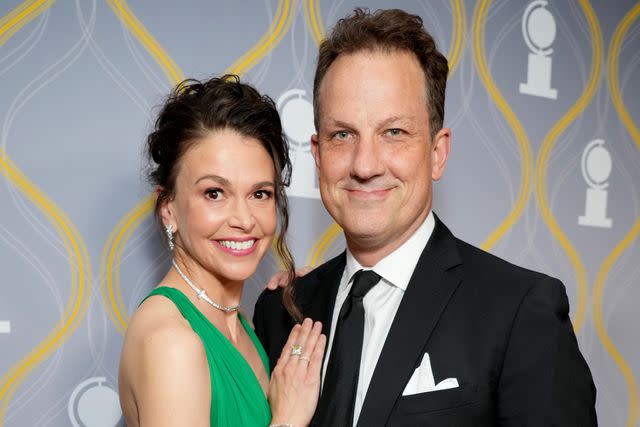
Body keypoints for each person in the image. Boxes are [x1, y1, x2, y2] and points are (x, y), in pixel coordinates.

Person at [254, 8, 597, 426]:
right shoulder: (281, 311)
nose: (365, 164)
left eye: (393, 132)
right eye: (342, 134)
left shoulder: (520, 311)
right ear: (319, 154)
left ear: (437, 152)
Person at [118, 76, 326, 427]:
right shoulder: (173, 344)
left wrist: (319, 286)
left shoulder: (240, 325)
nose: (244, 219)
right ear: (168, 208)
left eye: (260, 193)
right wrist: (288, 420)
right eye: (215, 193)